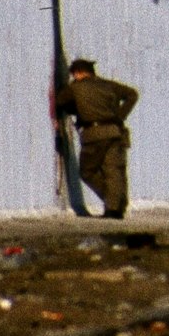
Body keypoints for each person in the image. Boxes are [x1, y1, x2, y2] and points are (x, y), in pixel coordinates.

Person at [53, 58, 139, 218]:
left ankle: (112, 202)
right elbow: (132, 95)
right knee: (114, 170)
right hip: (115, 132)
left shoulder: (76, 88)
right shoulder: (108, 85)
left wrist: (74, 108)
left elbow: (60, 100)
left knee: (88, 171)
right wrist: (119, 116)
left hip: (94, 135)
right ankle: (116, 207)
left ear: (78, 73)